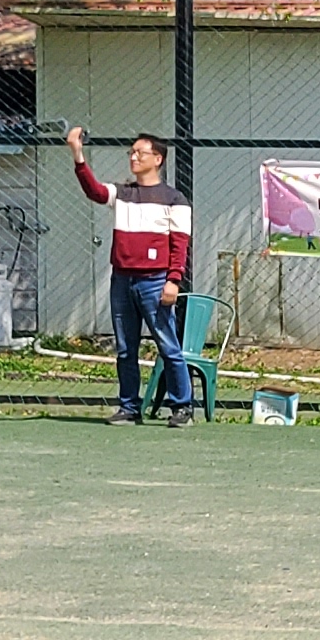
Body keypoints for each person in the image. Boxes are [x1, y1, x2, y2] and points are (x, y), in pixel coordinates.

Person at [66, 126, 195, 426]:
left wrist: (173, 280)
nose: (134, 157)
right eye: (131, 153)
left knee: (167, 345)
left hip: (156, 281)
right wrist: (77, 152)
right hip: (122, 280)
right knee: (126, 348)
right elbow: (95, 191)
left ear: (158, 159)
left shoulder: (175, 199)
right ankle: (129, 407)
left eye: (140, 153)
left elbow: (180, 244)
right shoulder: (123, 193)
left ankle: (182, 408)